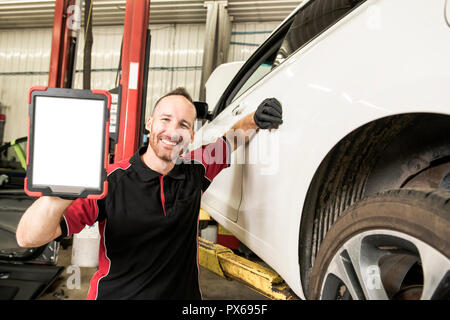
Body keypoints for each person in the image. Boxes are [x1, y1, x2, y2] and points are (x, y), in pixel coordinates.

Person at [16, 87, 283, 300]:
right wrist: (55, 198)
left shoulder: (195, 169)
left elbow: (231, 139)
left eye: (183, 124)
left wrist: (256, 119)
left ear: (191, 133)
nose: (172, 131)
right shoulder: (109, 181)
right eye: (165, 120)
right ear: (149, 123)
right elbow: (28, 238)